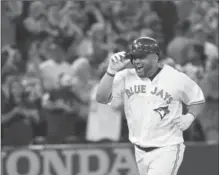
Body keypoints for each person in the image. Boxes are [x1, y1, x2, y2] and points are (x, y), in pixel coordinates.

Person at [96, 37, 205, 175]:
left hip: (167, 148)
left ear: (154, 58)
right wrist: (111, 71)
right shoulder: (125, 76)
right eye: (134, 57)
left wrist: (190, 116)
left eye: (141, 57)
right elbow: (101, 98)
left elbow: (198, 99)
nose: (136, 61)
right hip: (140, 150)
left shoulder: (175, 78)